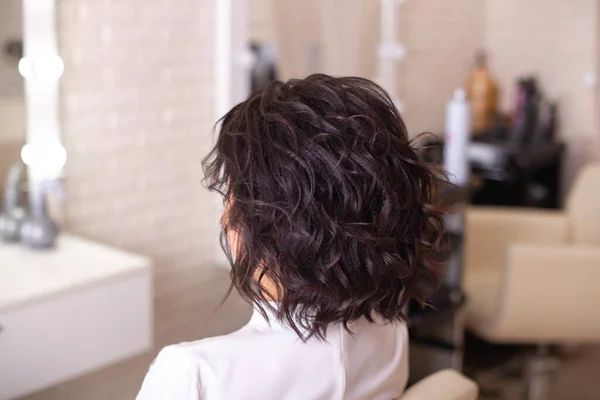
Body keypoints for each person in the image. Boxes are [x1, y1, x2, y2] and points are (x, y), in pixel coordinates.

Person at [136, 74, 445, 400]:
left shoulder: (195, 376)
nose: (226, 214)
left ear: (268, 222)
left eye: (232, 193)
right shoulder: (391, 329)